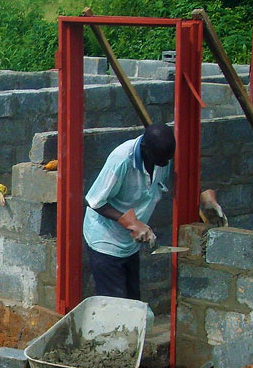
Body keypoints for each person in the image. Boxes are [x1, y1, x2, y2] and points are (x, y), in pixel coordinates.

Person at [84, 123, 224, 301]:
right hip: (105, 241)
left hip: (129, 245)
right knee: (114, 305)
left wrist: (206, 197)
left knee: (133, 301)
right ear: (145, 149)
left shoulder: (161, 155)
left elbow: (187, 174)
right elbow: (94, 201)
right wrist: (131, 223)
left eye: (168, 159)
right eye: (161, 160)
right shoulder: (121, 160)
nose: (165, 164)